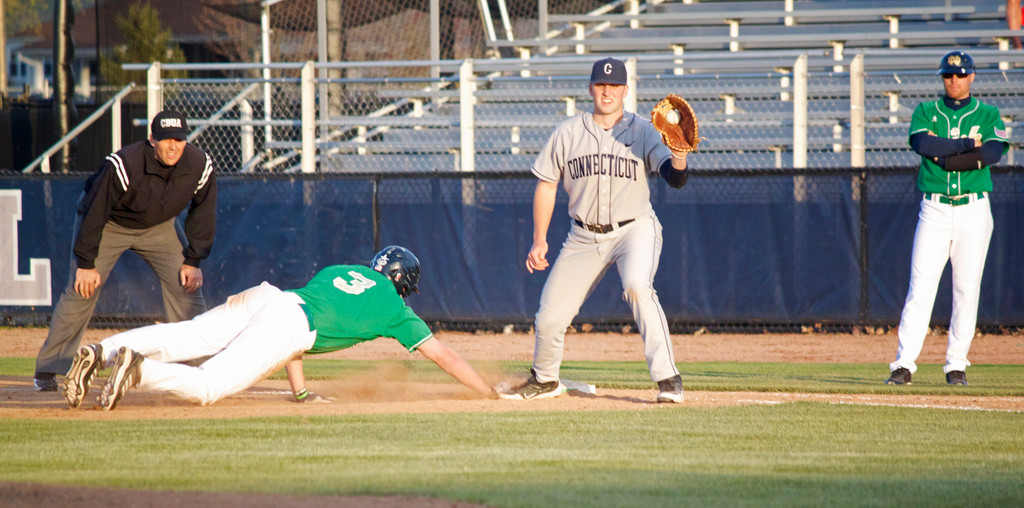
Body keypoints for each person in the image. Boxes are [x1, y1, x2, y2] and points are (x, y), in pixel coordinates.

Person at [62, 246, 496, 410]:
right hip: (288, 321)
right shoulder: (395, 311)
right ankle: (138, 370)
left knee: (188, 334)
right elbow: (445, 355)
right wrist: (489, 392)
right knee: (210, 385)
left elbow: (293, 336)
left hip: (272, 299)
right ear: (402, 281)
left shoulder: (342, 267)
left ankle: (102, 351)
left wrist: (301, 393)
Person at [498, 57, 690, 403]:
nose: (607, 91)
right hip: (583, 236)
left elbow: (674, 179)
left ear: (625, 91)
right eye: (601, 85)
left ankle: (668, 379)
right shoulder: (567, 134)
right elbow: (546, 185)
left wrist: (679, 156)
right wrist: (539, 239)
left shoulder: (644, 131)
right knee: (550, 313)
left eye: (614, 86)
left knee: (636, 286)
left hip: (634, 229)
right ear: (590, 88)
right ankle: (544, 379)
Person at [33, 110, 217, 391]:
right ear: (151, 139)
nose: (172, 146)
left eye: (179, 140)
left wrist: (193, 259)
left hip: (159, 227)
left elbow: (203, 211)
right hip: (110, 223)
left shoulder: (199, 164)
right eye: (165, 139)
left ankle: (202, 365)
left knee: (186, 286)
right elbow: (94, 210)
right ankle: (49, 369)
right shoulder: (124, 163)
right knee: (82, 290)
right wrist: (86, 262)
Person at [886, 51, 1010, 386]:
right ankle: (903, 365)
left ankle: (956, 365)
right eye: (948, 75)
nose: (953, 80)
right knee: (920, 286)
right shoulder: (927, 110)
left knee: (966, 288)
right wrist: (966, 144)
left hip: (973, 208)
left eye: (960, 74)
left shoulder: (987, 113)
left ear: (972, 76)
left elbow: (995, 151)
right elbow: (923, 143)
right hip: (936, 207)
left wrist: (950, 157)